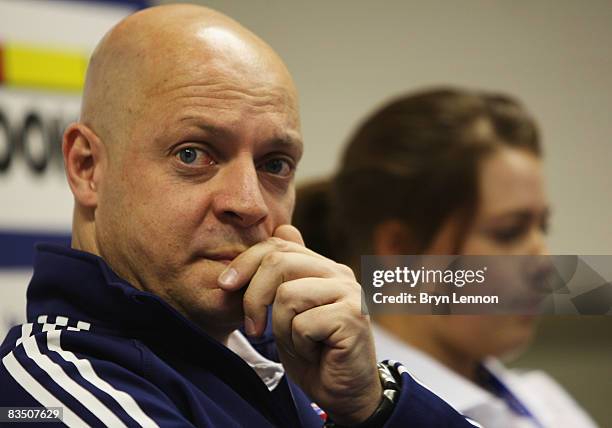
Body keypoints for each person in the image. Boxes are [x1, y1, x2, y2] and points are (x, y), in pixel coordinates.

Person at [0, 5, 478, 428]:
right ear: (87, 167)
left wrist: (373, 406)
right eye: (193, 154)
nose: (249, 204)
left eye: (274, 165)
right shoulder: (54, 391)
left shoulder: (288, 355)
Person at [294, 88, 597, 428]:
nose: (544, 263)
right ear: (399, 248)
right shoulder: (327, 412)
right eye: (509, 232)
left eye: (543, 227)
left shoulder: (542, 400)